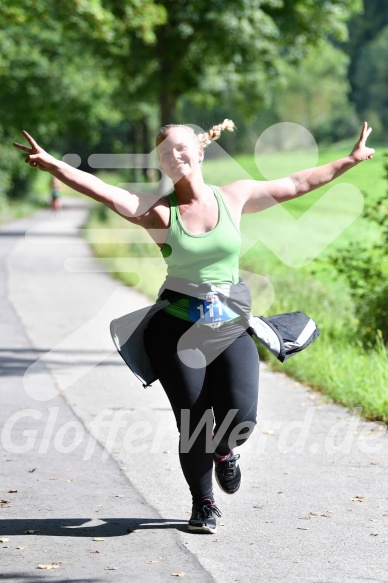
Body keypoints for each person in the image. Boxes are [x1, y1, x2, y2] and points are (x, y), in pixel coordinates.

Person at [13, 120, 374, 534]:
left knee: (242, 417)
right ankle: (203, 504)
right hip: (176, 331)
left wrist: (349, 160)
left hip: (230, 324)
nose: (174, 156)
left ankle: (224, 451)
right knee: (194, 422)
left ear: (200, 152)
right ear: (162, 164)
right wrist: (54, 166)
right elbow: (104, 191)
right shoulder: (160, 212)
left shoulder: (234, 196)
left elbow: (295, 183)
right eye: (166, 153)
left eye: (181, 148)